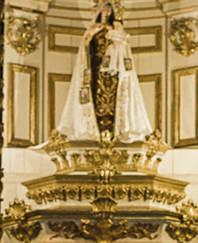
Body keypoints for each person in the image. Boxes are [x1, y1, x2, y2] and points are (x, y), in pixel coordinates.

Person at [55, 0, 153, 142]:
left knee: (115, 96)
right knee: (95, 93)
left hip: (113, 72)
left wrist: (116, 43)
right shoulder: (93, 29)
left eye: (109, 11)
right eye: (104, 10)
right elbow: (85, 48)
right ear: (99, 12)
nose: (106, 13)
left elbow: (125, 51)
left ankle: (116, 127)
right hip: (96, 69)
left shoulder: (117, 30)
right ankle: (94, 126)